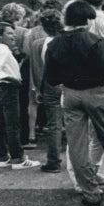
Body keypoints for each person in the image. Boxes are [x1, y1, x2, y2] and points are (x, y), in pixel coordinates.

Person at [44, 0, 104, 206]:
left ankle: (90, 192)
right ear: (87, 19)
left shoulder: (54, 43)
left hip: (70, 94)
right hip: (96, 92)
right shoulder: (95, 41)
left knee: (77, 144)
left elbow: (51, 78)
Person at [0, 22, 40, 170]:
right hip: (7, 89)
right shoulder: (2, 51)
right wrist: (12, 79)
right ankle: (18, 158)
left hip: (0, 90)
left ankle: (2, 156)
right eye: (9, 33)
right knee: (12, 125)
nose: (13, 36)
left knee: (1, 124)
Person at [28, 9, 65, 173]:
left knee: (54, 125)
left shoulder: (37, 44)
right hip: (68, 85)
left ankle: (54, 160)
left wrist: (37, 90)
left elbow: (36, 70)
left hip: (49, 85)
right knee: (75, 123)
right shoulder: (66, 41)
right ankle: (78, 160)